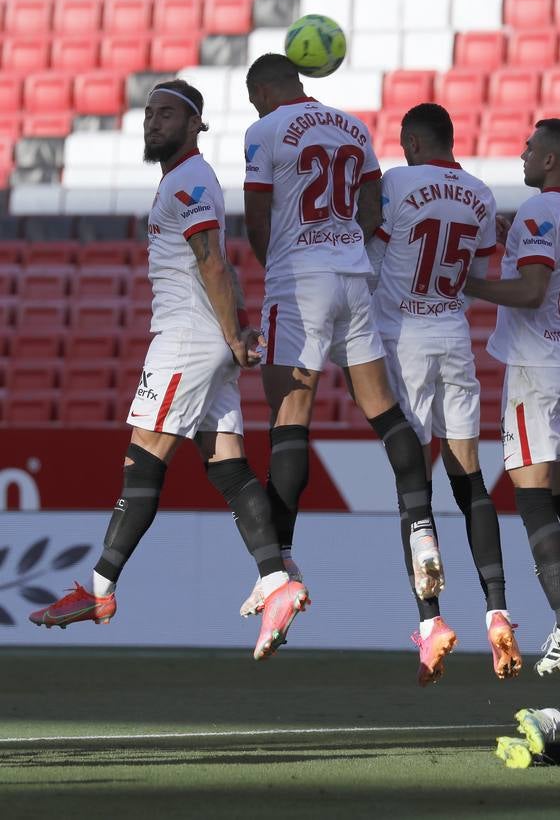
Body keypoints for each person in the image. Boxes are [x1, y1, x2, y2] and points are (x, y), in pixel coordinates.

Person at [29, 80, 307, 661]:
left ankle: (100, 590)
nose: (154, 121)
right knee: (228, 468)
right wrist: (239, 332)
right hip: (207, 341)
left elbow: (210, 261)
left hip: (185, 341)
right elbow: (221, 265)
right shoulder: (186, 180)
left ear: (196, 124)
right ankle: (277, 580)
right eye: (150, 113)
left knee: (143, 458)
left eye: (168, 114)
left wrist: (232, 335)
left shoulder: (189, 180)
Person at [238, 55, 446, 674]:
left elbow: (256, 213)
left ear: (263, 90)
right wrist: (343, 243)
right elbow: (374, 206)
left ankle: (281, 569)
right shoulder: (355, 127)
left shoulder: (265, 130)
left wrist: (274, 264)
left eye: (255, 100)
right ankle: (424, 536)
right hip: (353, 274)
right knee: (383, 411)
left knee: (288, 419)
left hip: (297, 280)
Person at [367, 102, 521, 683]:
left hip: (401, 337)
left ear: (410, 141)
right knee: (470, 480)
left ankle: (431, 622)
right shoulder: (481, 194)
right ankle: (498, 609)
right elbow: (476, 275)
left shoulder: (395, 184)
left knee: (412, 479)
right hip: (453, 336)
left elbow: (370, 256)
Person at [463, 119, 560, 680]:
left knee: (532, 498)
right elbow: (551, 272)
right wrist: (514, 236)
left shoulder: (536, 213)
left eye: (529, 148)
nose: (522, 154)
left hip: (537, 367)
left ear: (551, 160)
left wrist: (464, 283)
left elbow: (530, 292)